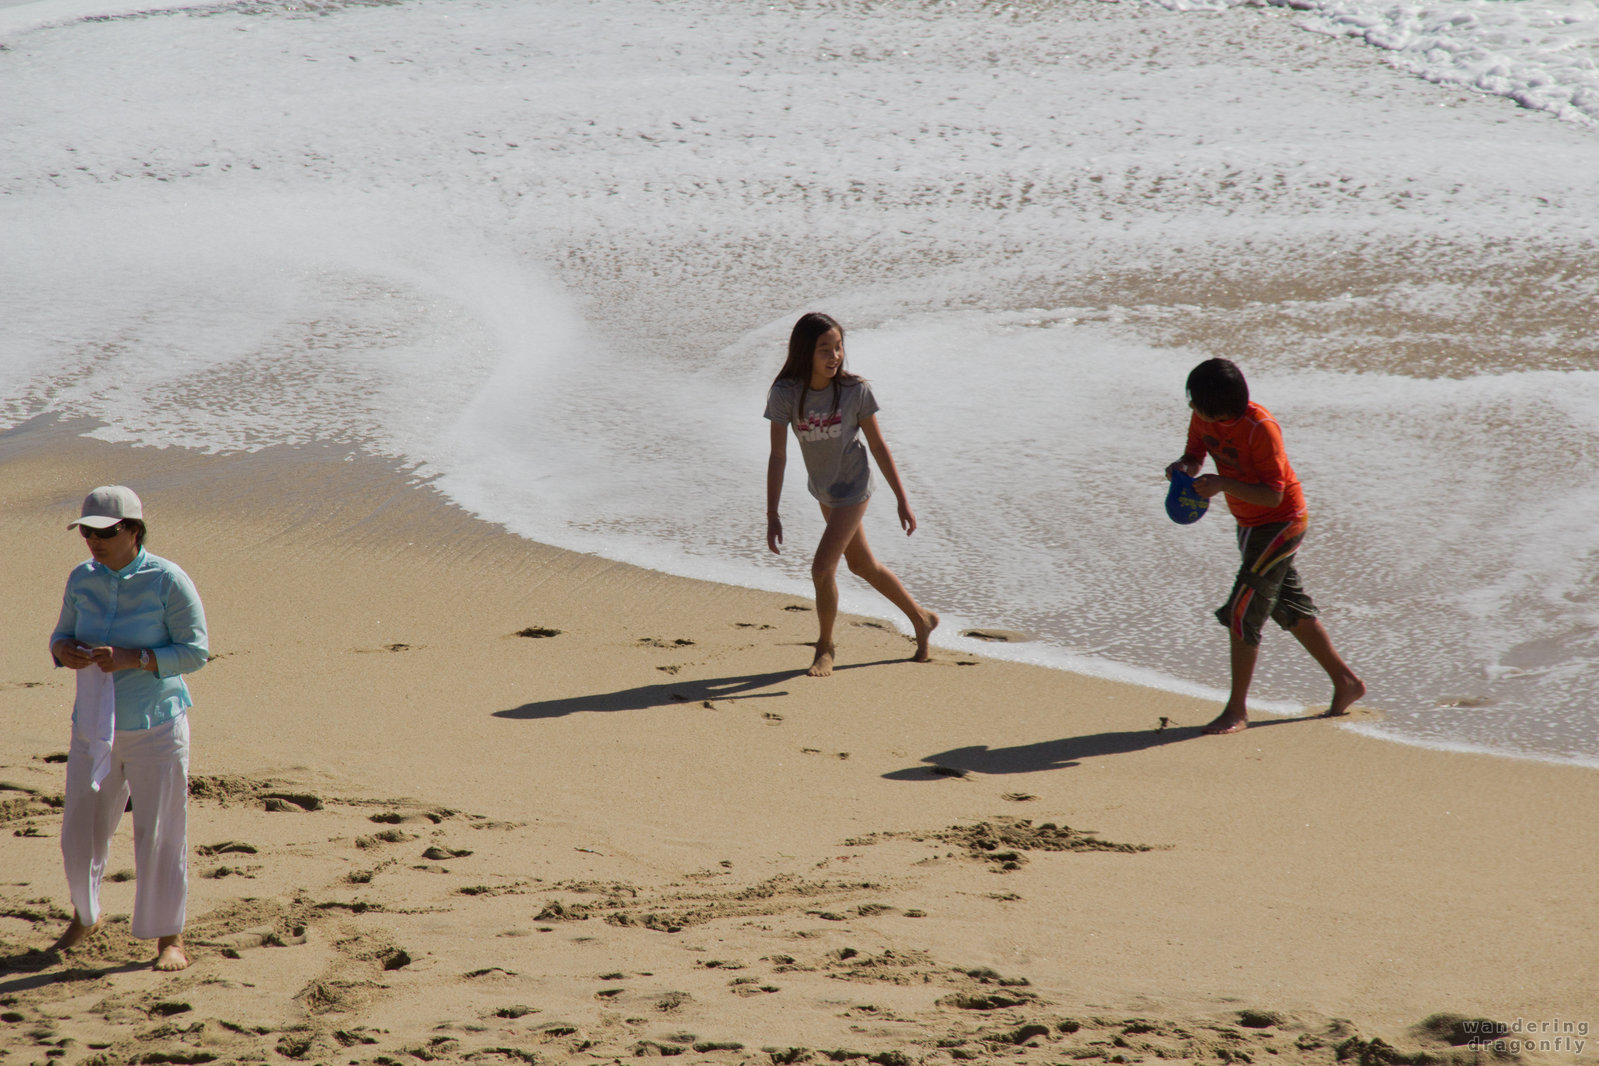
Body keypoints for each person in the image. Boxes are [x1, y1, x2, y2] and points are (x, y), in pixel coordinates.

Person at [48, 486, 208, 971]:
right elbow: (60, 636)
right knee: (81, 827)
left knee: (159, 831)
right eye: (87, 532)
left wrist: (134, 659)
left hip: (156, 724)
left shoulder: (167, 580)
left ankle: (169, 939)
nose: (94, 541)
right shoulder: (82, 578)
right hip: (93, 724)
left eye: (105, 531)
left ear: (133, 531)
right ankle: (85, 914)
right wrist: (64, 652)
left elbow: (195, 650)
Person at [1164, 359, 1364, 735]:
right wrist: (1184, 468)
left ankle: (1236, 711)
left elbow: (1273, 496)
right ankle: (1347, 682)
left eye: (1195, 401)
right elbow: (1195, 454)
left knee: (1243, 612)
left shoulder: (1261, 428)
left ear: (1217, 403)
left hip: (1281, 523)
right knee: (1288, 606)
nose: (1191, 407)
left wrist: (1221, 484)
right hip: (1248, 525)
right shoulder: (1203, 418)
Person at [765, 312, 938, 676]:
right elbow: (778, 456)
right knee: (861, 565)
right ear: (804, 353)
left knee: (821, 568)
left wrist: (901, 499)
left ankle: (825, 648)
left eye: (839, 347)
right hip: (824, 489)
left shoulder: (853, 391)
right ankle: (921, 619)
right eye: (824, 349)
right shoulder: (785, 394)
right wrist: (772, 513)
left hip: (855, 487)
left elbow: (877, 445)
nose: (835, 356)